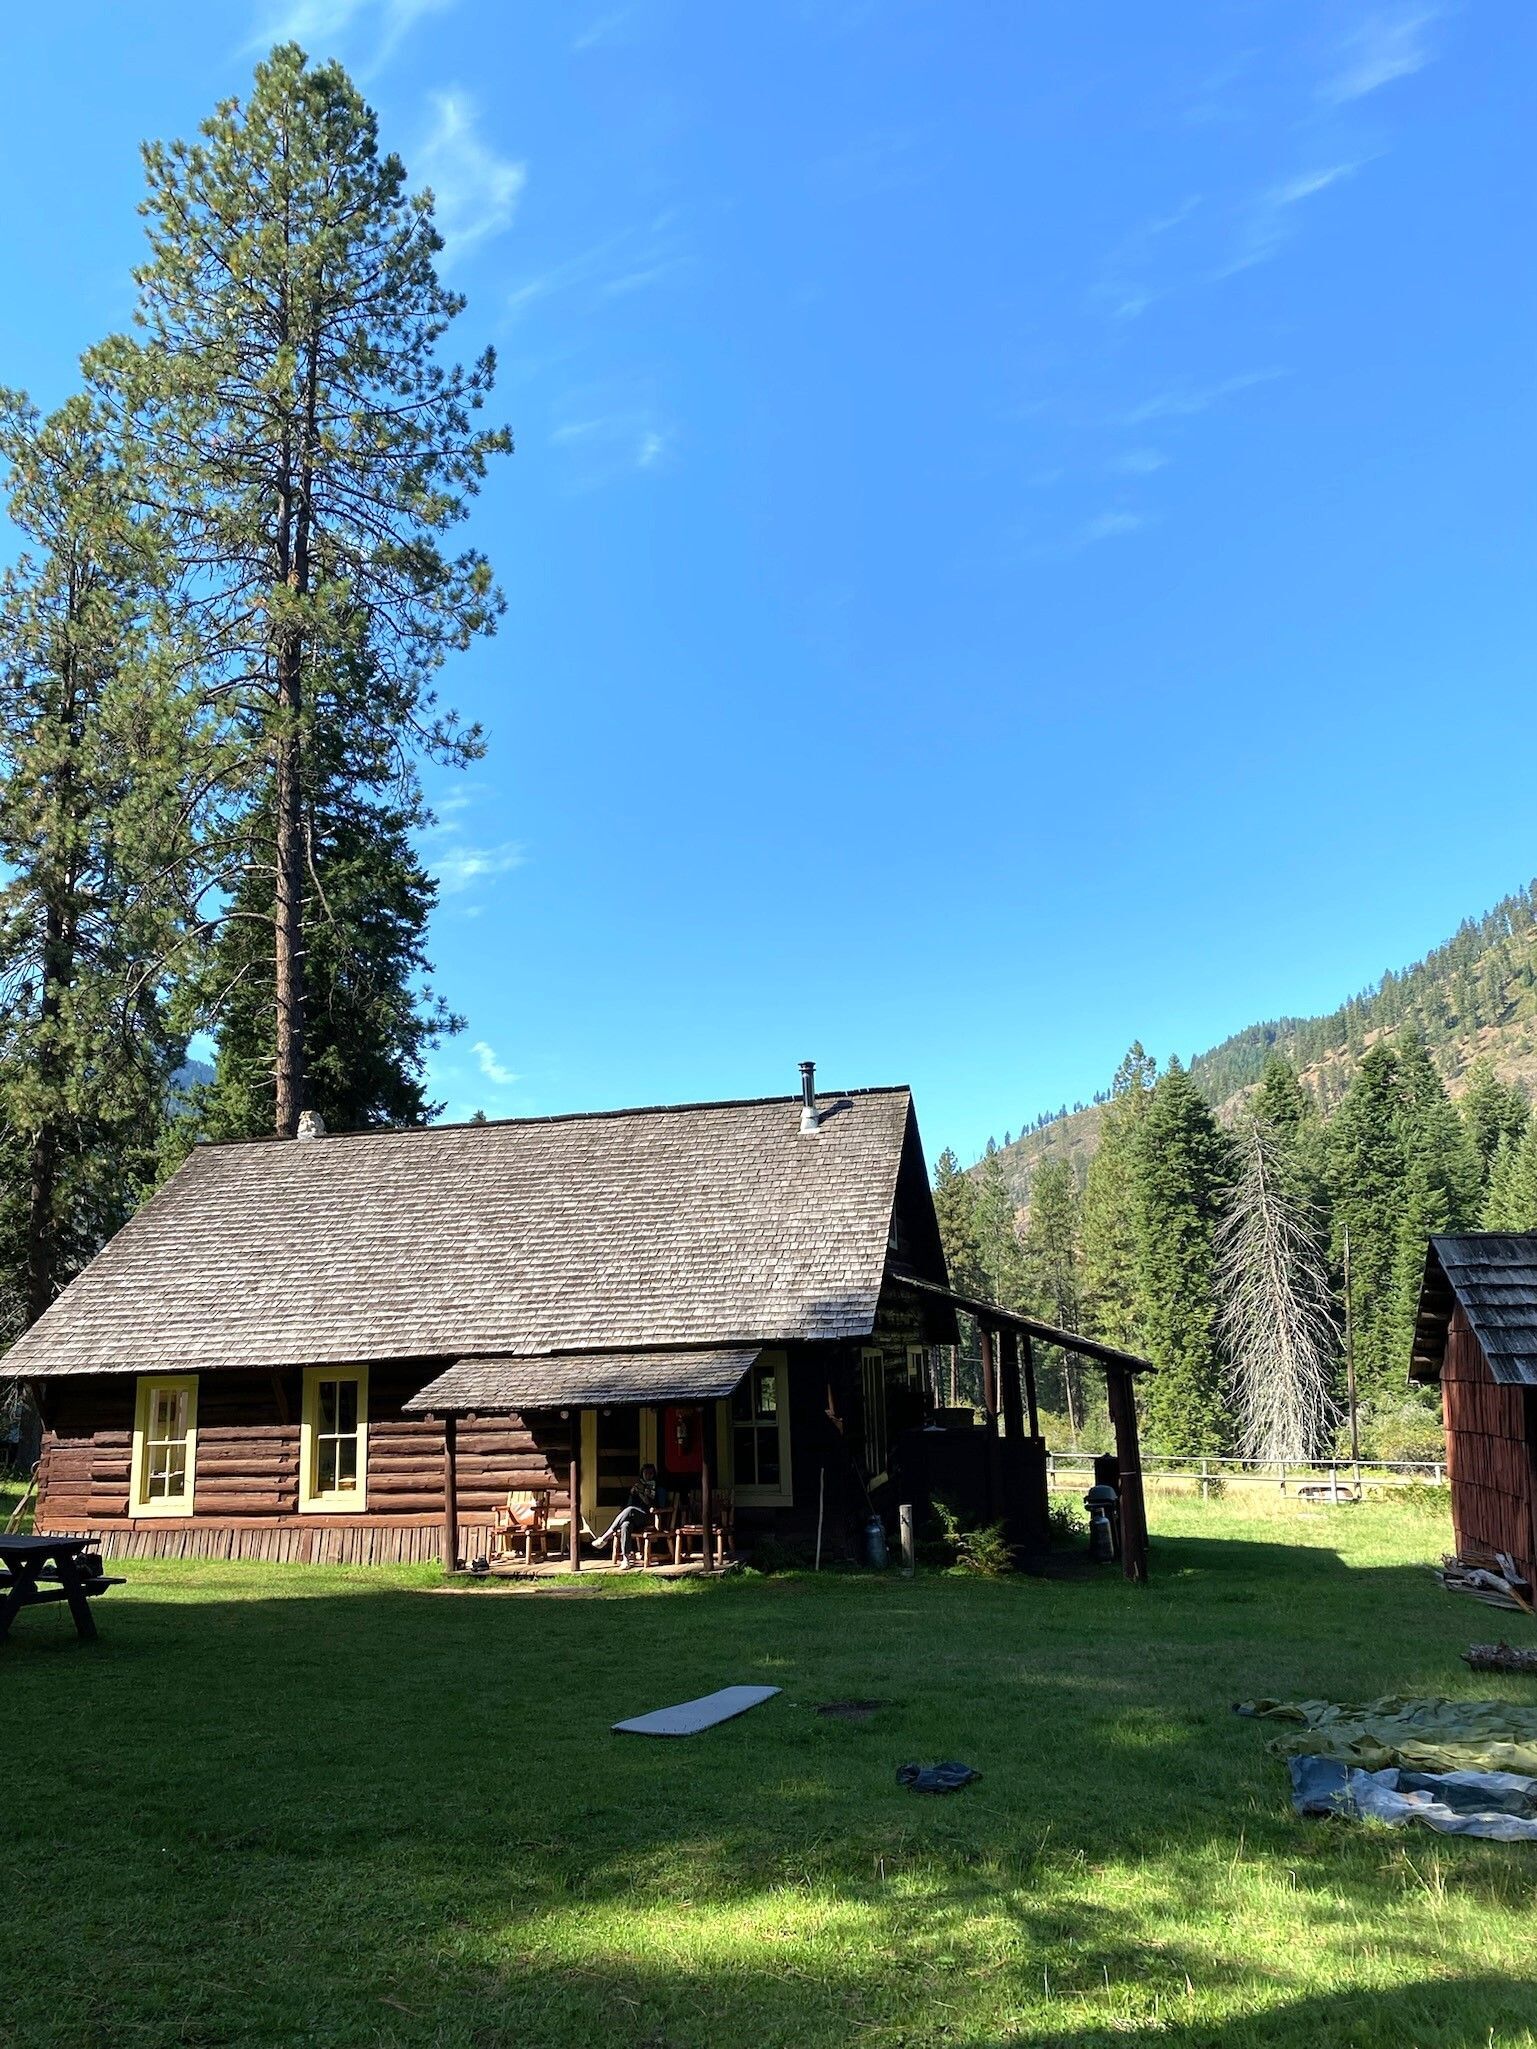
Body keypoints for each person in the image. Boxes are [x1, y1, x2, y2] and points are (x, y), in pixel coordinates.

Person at [593, 1463, 662, 1566]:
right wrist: (632, 1493)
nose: (648, 1475)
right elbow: (629, 1504)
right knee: (625, 1525)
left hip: (647, 1518)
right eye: (646, 1473)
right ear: (642, 1474)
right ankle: (626, 1559)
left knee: (630, 1510)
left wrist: (642, 1494)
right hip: (633, 1518)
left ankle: (605, 1537)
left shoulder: (657, 1487)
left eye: (651, 1473)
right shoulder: (638, 1485)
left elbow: (652, 1505)